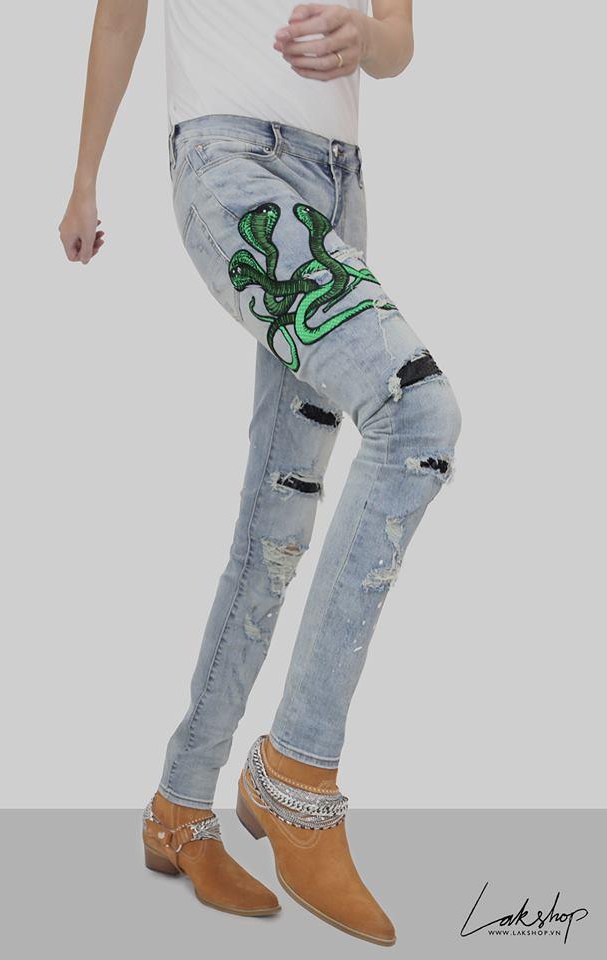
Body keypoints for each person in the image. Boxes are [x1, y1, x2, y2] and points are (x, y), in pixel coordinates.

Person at [59, 0, 461, 946]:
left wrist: (370, 41)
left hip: (337, 186)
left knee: (277, 517)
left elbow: (397, 44)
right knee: (417, 415)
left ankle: (179, 806)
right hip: (231, 163)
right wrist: (84, 180)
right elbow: (119, 18)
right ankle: (296, 777)